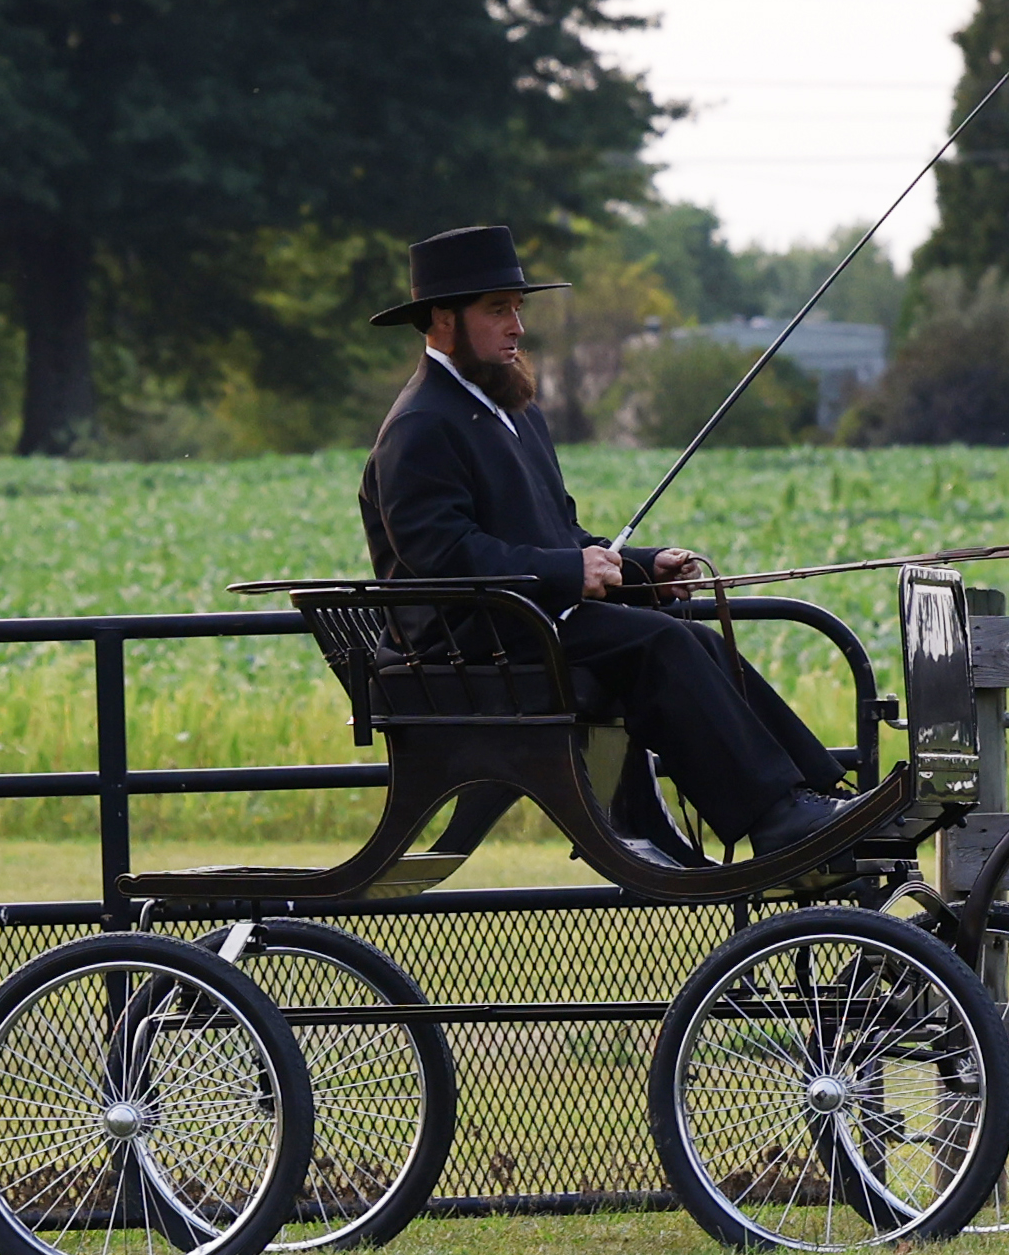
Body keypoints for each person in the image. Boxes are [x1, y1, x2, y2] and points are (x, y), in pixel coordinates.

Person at [356, 224, 853, 865]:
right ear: (443, 320)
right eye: (498, 310)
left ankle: (811, 793)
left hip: (526, 621)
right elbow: (444, 557)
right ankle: (777, 816)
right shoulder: (422, 423)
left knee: (691, 633)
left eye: (518, 309)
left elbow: (560, 534)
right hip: (469, 641)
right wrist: (569, 572)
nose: (517, 327)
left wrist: (643, 569)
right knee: (663, 644)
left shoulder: (514, 410)